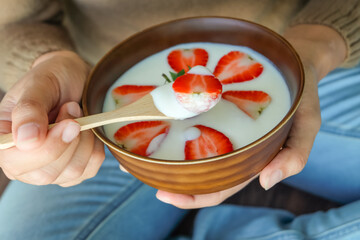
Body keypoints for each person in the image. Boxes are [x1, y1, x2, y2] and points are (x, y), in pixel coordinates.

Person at [0, 0, 359, 239]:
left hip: (308, 64)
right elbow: (12, 21)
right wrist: (49, 62)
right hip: (91, 104)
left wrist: (315, 47)